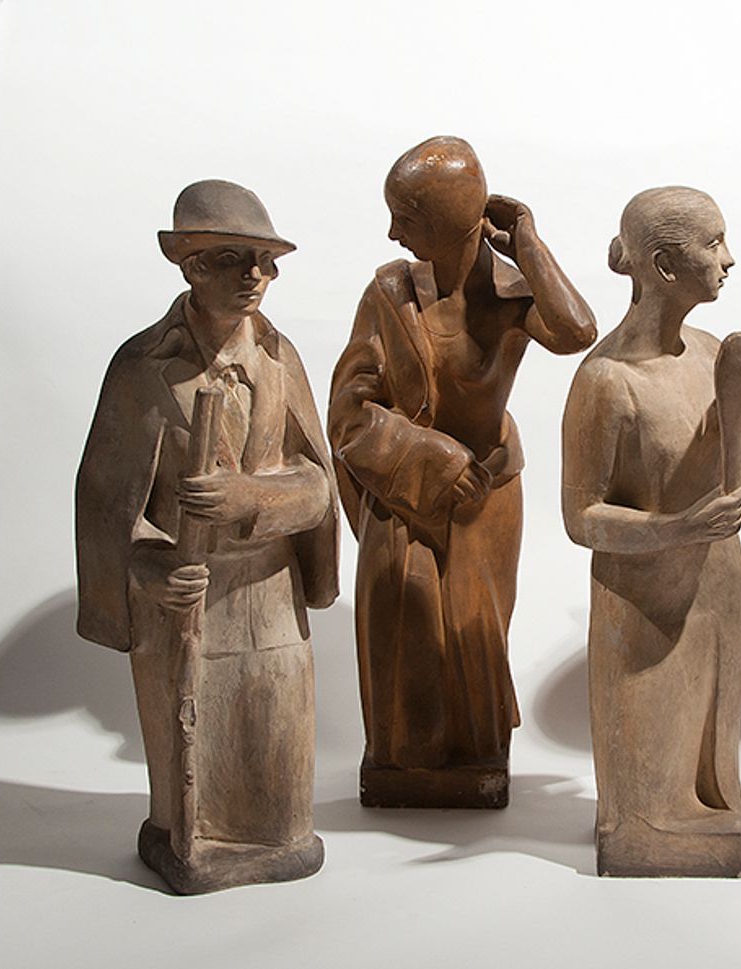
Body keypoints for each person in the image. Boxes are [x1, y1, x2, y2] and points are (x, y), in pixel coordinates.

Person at [75, 180, 339, 892]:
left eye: (265, 261)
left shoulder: (280, 360)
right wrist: (151, 570)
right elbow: (107, 508)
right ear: (190, 265)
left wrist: (251, 498)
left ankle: (276, 840)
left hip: (270, 592)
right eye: (232, 258)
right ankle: (189, 840)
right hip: (185, 601)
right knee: (192, 759)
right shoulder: (141, 368)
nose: (255, 275)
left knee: (277, 748)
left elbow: (318, 486)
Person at [328, 136, 596, 807]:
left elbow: (577, 331)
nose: (393, 233)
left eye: (406, 217)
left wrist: (528, 244)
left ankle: (476, 754)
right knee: (405, 621)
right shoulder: (390, 293)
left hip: (486, 493)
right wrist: (432, 456)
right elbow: (349, 411)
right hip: (406, 491)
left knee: (475, 634)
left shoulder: (511, 295)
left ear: (448, 219)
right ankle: (405, 759)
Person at [561, 187, 741, 876]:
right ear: (662, 264)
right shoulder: (606, 381)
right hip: (644, 602)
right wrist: (675, 528)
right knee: (651, 782)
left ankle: (703, 813)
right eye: (713, 244)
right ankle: (643, 827)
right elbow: (582, 518)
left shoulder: (713, 354)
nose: (729, 259)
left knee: (708, 751)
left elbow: (732, 479)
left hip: (717, 586)